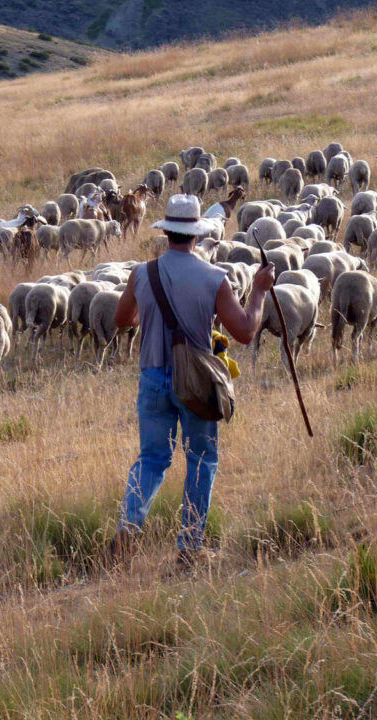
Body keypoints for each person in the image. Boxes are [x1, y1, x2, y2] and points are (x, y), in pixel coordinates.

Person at [108, 193, 275, 568]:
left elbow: (121, 319)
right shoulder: (214, 278)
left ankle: (128, 527)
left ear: (166, 231)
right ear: (196, 235)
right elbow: (246, 331)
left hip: (152, 376)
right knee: (201, 458)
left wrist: (146, 318)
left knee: (152, 457)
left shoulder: (142, 273)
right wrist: (261, 291)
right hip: (196, 381)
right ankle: (190, 546)